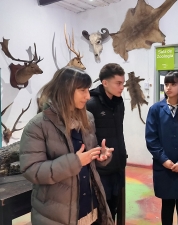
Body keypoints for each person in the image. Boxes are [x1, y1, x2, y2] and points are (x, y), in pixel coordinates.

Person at [19, 66, 115, 225]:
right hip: (57, 215)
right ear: (65, 90)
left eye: (88, 90)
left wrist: (100, 156)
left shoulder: (88, 118)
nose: (88, 96)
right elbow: (32, 171)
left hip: (91, 208)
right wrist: (74, 162)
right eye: (82, 90)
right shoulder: (37, 126)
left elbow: (88, 158)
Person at [145, 71, 178, 225]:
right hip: (164, 167)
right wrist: (164, 160)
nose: (168, 88)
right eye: (166, 84)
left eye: (173, 84)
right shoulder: (156, 109)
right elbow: (151, 139)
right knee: (167, 205)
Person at [86, 63, 127, 221]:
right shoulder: (91, 104)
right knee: (98, 212)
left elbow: (118, 133)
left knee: (113, 209)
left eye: (123, 83)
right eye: (118, 83)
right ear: (105, 83)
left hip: (117, 165)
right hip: (99, 169)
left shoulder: (119, 103)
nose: (122, 87)